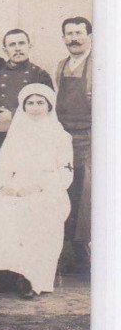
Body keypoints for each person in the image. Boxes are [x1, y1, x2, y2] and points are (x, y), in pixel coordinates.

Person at [0, 84, 73, 298]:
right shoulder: (16, 134)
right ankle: (2, 273)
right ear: (23, 106)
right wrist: (3, 185)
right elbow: (0, 167)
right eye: (30, 103)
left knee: (32, 216)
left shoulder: (61, 137)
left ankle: (29, 277)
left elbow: (65, 174)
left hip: (48, 191)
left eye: (40, 103)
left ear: (49, 106)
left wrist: (38, 186)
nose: (35, 107)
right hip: (13, 188)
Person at [0, 29, 53, 157]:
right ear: (5, 50)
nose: (17, 48)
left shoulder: (40, 75)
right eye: (12, 45)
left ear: (29, 46)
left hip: (31, 143)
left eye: (21, 43)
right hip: (0, 143)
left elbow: (48, 110)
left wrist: (13, 114)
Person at [55, 16, 92, 271]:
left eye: (79, 33)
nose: (74, 39)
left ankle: (84, 253)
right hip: (64, 139)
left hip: (91, 138)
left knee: (86, 193)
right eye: (69, 34)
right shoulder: (61, 66)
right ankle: (65, 251)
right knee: (65, 190)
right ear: (63, 38)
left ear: (89, 36)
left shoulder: (100, 65)